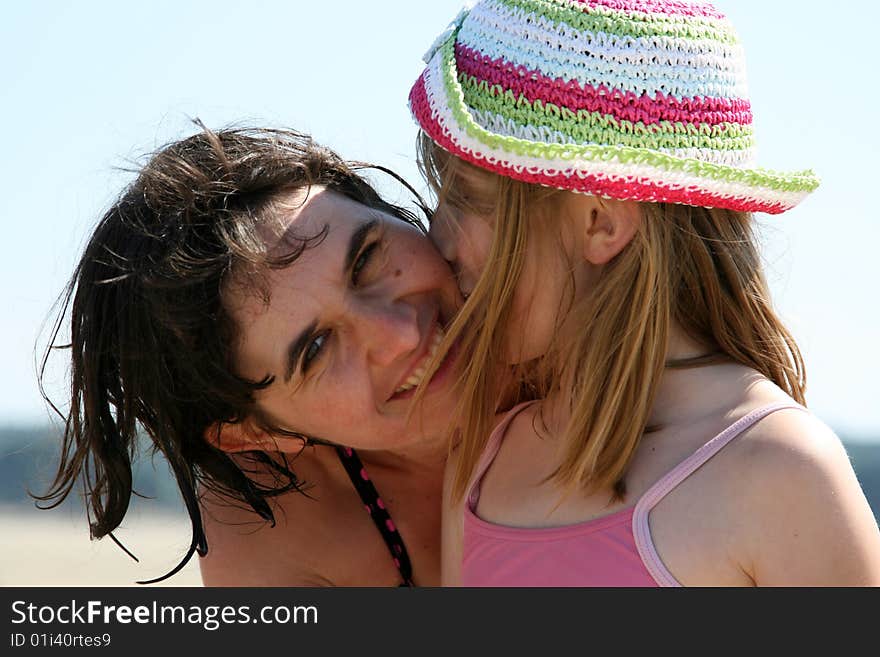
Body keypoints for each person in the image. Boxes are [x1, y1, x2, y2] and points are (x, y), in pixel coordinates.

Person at [408, 0, 880, 585]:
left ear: (601, 222)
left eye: (468, 199)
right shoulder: (484, 462)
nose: (438, 239)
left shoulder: (780, 475)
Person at [37, 124, 463, 586]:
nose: (399, 334)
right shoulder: (271, 538)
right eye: (316, 350)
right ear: (254, 433)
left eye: (365, 260)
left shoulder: (545, 303)